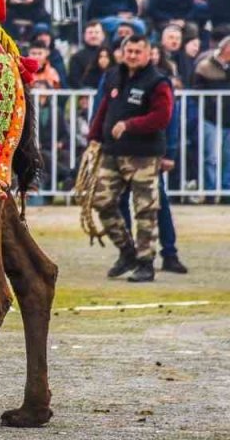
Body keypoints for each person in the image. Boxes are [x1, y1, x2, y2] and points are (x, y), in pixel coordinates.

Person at [87, 35, 175, 283]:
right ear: (122, 52)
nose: (133, 56)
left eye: (138, 51)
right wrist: (94, 135)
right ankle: (127, 251)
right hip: (113, 151)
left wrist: (130, 125)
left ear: (148, 54)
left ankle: (146, 263)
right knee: (101, 201)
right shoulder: (114, 75)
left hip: (144, 155)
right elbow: (105, 107)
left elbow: (162, 117)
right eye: (129, 51)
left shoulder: (158, 82)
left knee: (145, 209)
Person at [191, 37, 230, 193]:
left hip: (229, 118)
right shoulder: (205, 66)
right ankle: (210, 190)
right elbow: (197, 90)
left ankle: (226, 190)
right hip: (211, 118)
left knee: (228, 156)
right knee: (211, 157)